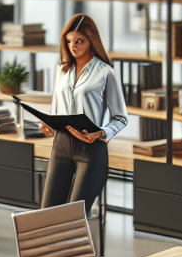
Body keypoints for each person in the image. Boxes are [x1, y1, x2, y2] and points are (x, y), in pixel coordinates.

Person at [39, 13, 128, 212]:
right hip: (60, 147)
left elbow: (121, 118)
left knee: (74, 217)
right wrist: (48, 125)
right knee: (46, 214)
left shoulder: (105, 73)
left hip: (90, 150)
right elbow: (55, 109)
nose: (73, 46)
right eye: (69, 41)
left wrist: (102, 132)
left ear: (91, 41)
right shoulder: (61, 71)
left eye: (79, 41)